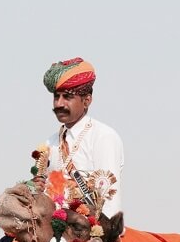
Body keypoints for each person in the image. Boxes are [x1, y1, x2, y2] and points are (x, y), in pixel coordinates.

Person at [42, 57, 125, 218]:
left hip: (91, 230)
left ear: (87, 100)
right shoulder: (50, 143)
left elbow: (109, 199)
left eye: (67, 97)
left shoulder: (103, 137)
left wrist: (101, 235)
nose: (59, 104)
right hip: (55, 230)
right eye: (56, 97)